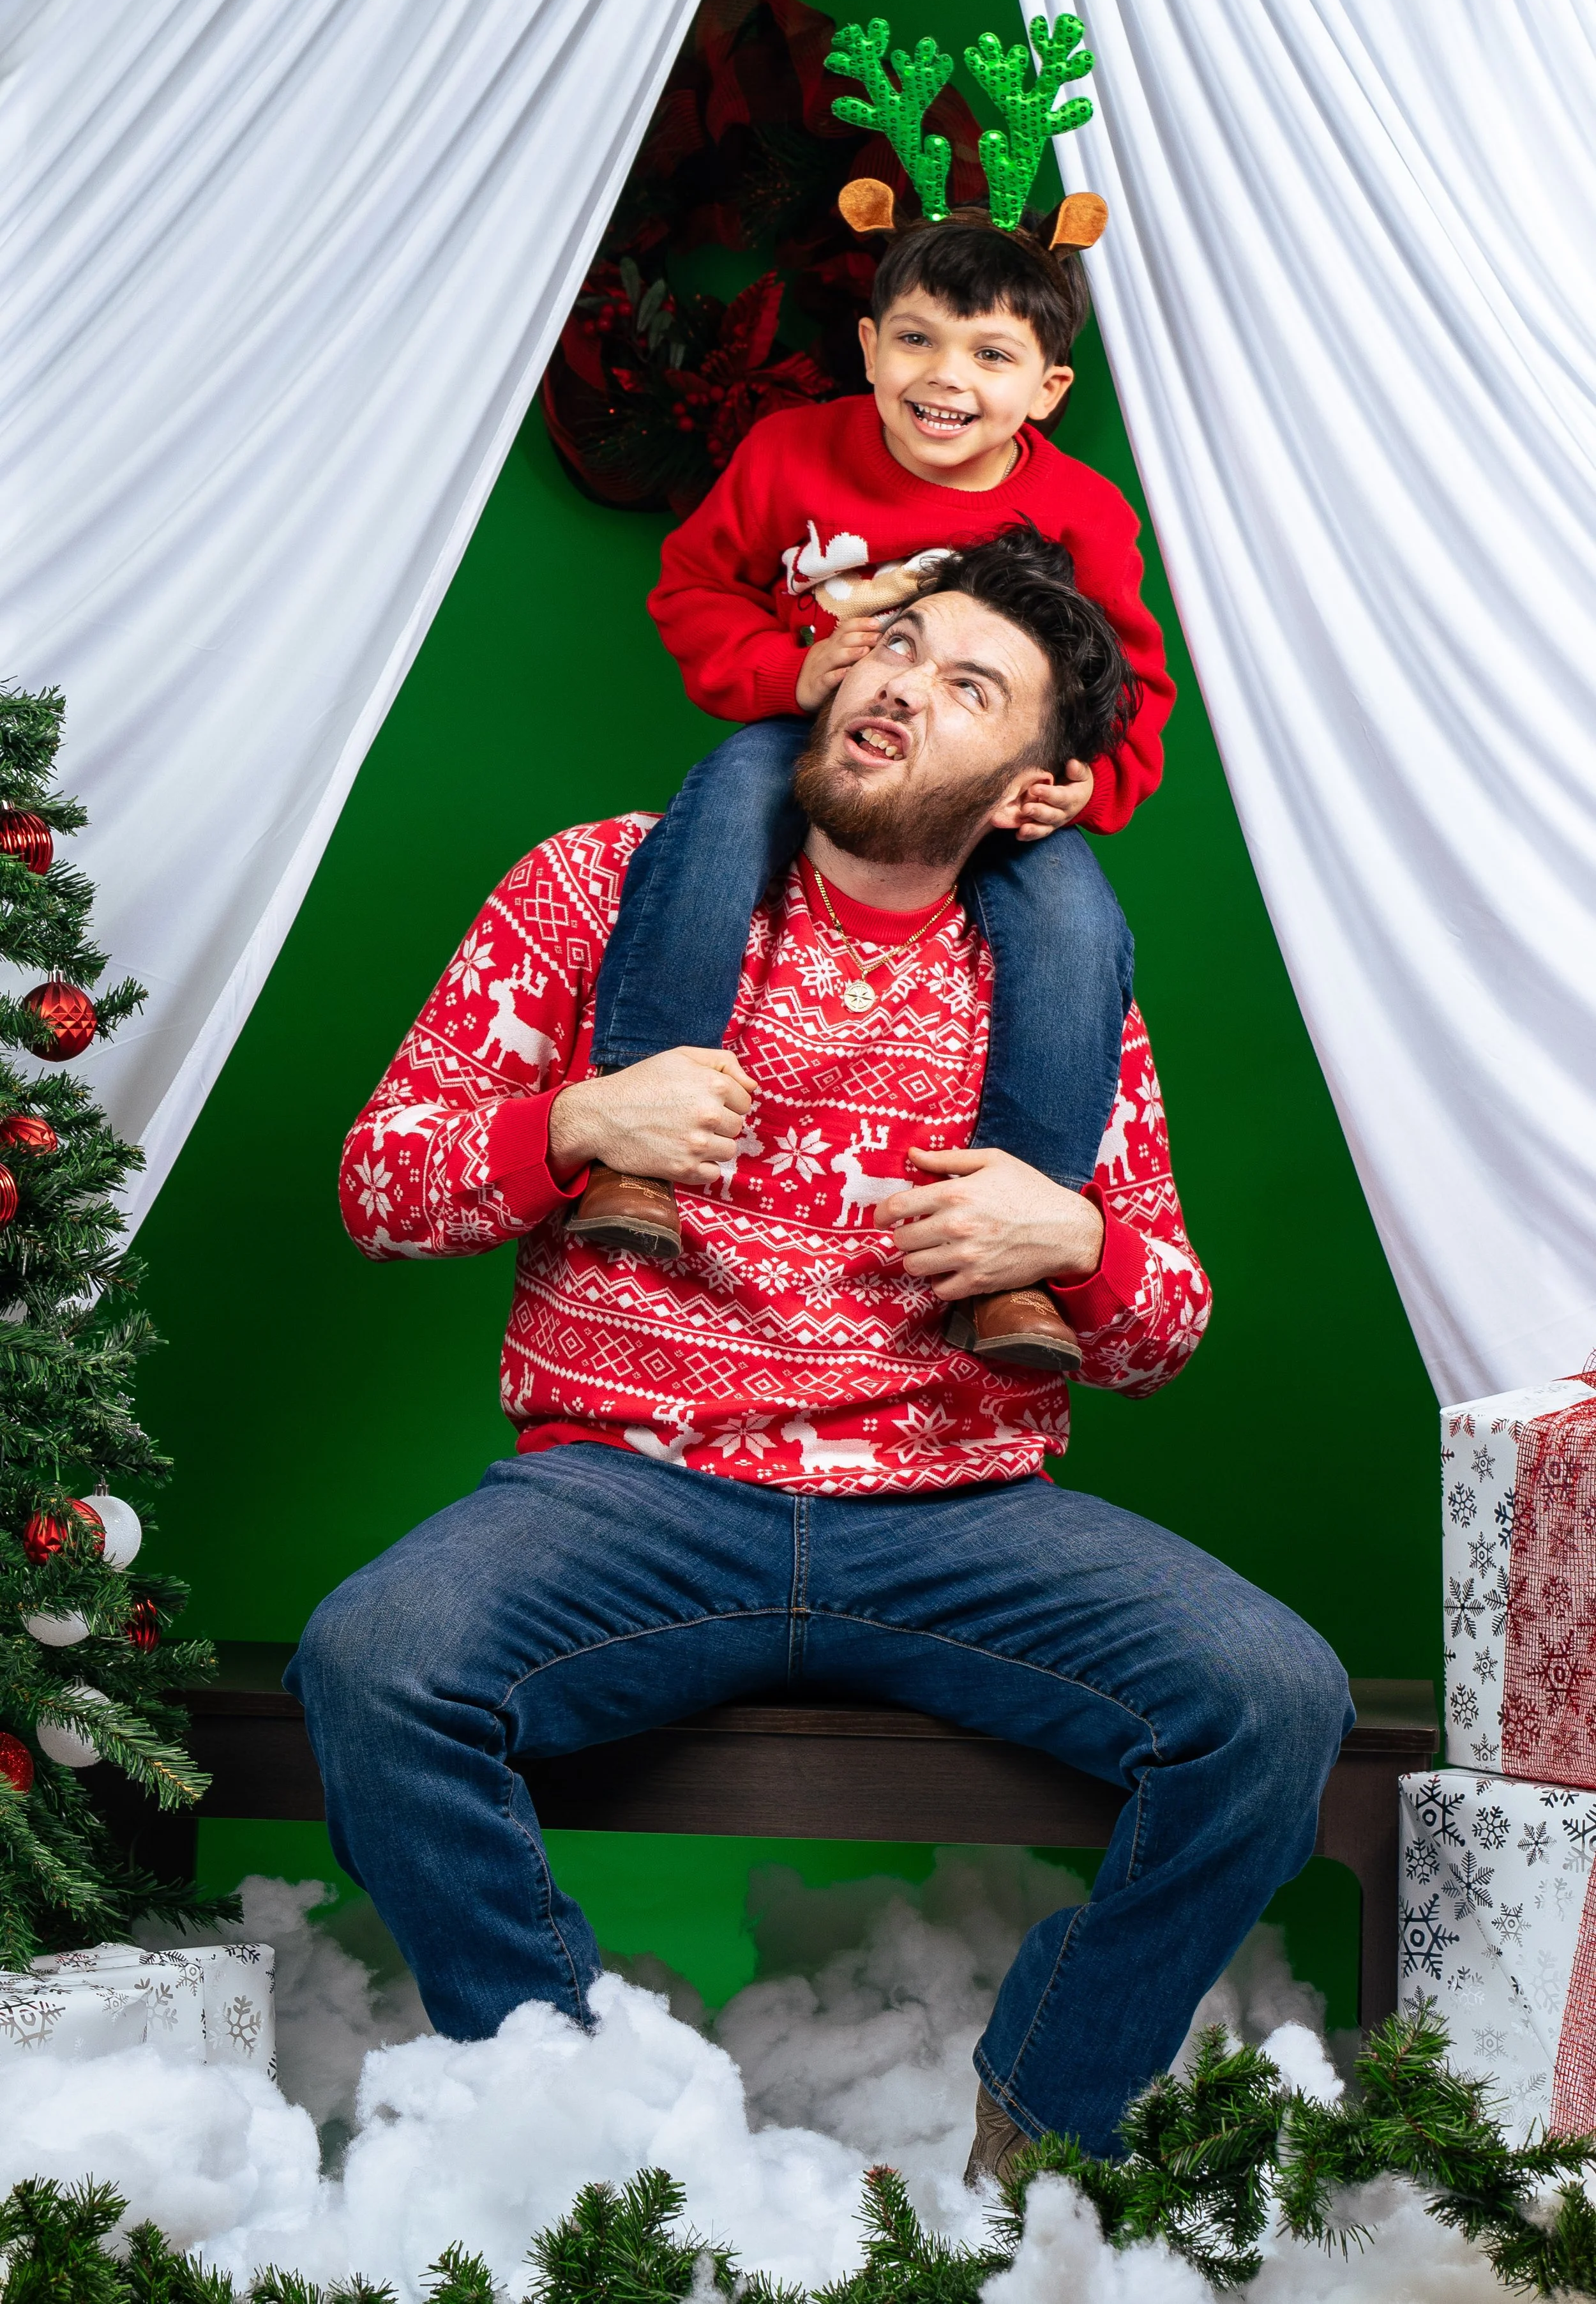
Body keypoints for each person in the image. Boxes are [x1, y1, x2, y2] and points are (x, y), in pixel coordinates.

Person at [292, 533, 1350, 2181]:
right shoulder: (596, 885)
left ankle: (1038, 2121)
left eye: (965, 687)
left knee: (1275, 1693)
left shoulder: (1057, 987)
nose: (899, 688)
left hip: (954, 1509)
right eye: (897, 646)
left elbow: (1165, 1328)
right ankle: (579, 2126)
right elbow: (381, 1180)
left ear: (1030, 793)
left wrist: (1076, 1241)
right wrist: (572, 1122)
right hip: (632, 1488)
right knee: (375, 1658)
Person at [570, 211, 1175, 1384]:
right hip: (811, 733)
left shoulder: (1085, 513)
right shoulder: (791, 454)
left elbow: (1135, 678)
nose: (945, 378)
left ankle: (1016, 1248)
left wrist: (1086, 781)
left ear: (1047, 389)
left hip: (987, 778)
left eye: (989, 356)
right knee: (721, 811)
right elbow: (694, 585)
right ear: (867, 345)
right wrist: (783, 673)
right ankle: (641, 1127)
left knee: (1074, 920)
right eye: (916, 340)